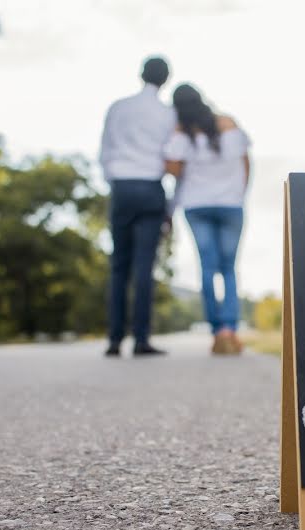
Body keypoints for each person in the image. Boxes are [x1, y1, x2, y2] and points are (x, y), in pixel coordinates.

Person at [164, 84, 251, 355]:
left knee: (207, 268)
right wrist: (239, 193)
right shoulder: (228, 123)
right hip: (230, 204)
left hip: (197, 205)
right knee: (228, 268)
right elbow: (246, 162)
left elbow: (172, 168)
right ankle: (230, 329)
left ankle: (216, 331)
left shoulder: (183, 131)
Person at [99, 56, 176, 357]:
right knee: (144, 267)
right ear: (166, 79)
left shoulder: (118, 107)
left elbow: (105, 150)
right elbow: (172, 155)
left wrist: (114, 181)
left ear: (140, 74)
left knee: (119, 265)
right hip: (150, 187)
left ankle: (115, 339)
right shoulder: (168, 114)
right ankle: (141, 338)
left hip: (122, 186)